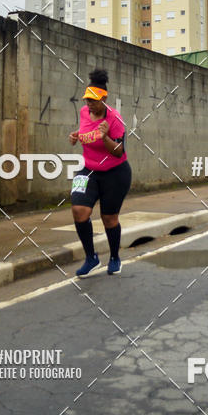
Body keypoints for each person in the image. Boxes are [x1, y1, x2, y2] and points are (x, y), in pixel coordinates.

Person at [69, 68, 131, 277]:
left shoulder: (115, 119)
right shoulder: (84, 112)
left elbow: (119, 151)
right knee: (79, 210)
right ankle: (91, 258)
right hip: (89, 170)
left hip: (115, 172)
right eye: (87, 100)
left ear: (104, 99)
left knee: (109, 218)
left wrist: (105, 138)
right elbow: (86, 131)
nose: (89, 104)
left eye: (94, 101)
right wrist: (77, 136)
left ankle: (114, 257)